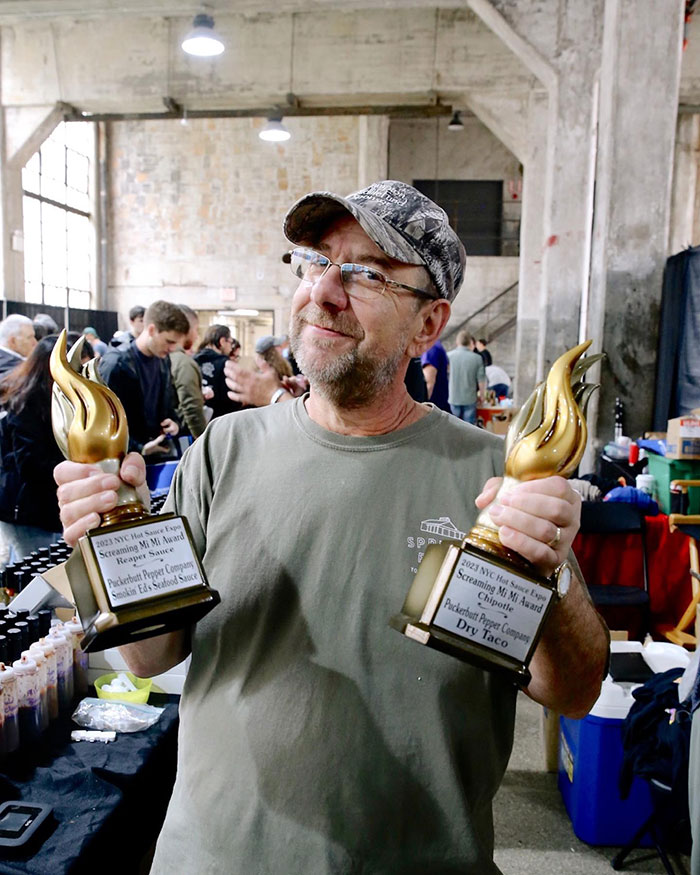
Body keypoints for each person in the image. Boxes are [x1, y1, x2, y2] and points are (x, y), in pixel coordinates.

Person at [56, 180, 608, 874]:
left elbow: (575, 690)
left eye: (367, 272)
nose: (323, 290)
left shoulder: (498, 479)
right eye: (315, 262)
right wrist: (105, 539)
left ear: (429, 325)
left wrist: (551, 569)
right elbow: (148, 656)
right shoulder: (221, 451)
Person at [0, 335, 63, 562]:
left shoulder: (49, 398)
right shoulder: (27, 402)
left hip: (42, 507)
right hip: (26, 509)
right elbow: (31, 465)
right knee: (36, 582)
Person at [98, 300, 187, 458]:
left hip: (156, 454)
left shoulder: (163, 360)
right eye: (169, 341)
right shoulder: (115, 364)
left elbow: (167, 405)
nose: (173, 348)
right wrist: (139, 448)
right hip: (122, 459)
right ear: (152, 330)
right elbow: (102, 421)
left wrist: (174, 423)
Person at [169, 304, 208, 440]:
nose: (197, 336)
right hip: (181, 437)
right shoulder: (183, 363)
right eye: (196, 329)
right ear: (187, 327)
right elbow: (192, 410)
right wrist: (203, 440)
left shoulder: (161, 359)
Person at [193, 325, 242, 419]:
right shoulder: (225, 364)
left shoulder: (193, 360)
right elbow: (231, 399)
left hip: (197, 419)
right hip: (220, 420)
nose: (231, 348)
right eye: (230, 343)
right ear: (222, 341)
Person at [447, 329, 486, 423]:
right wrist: (482, 395)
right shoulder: (477, 358)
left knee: (453, 427)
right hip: (470, 399)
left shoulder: (448, 356)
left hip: (453, 397)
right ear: (470, 342)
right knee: (469, 429)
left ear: (457, 342)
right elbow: (481, 380)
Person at [421, 339, 450, 411]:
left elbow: (429, 382)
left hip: (433, 407)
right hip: (439, 405)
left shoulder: (430, 348)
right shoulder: (434, 346)